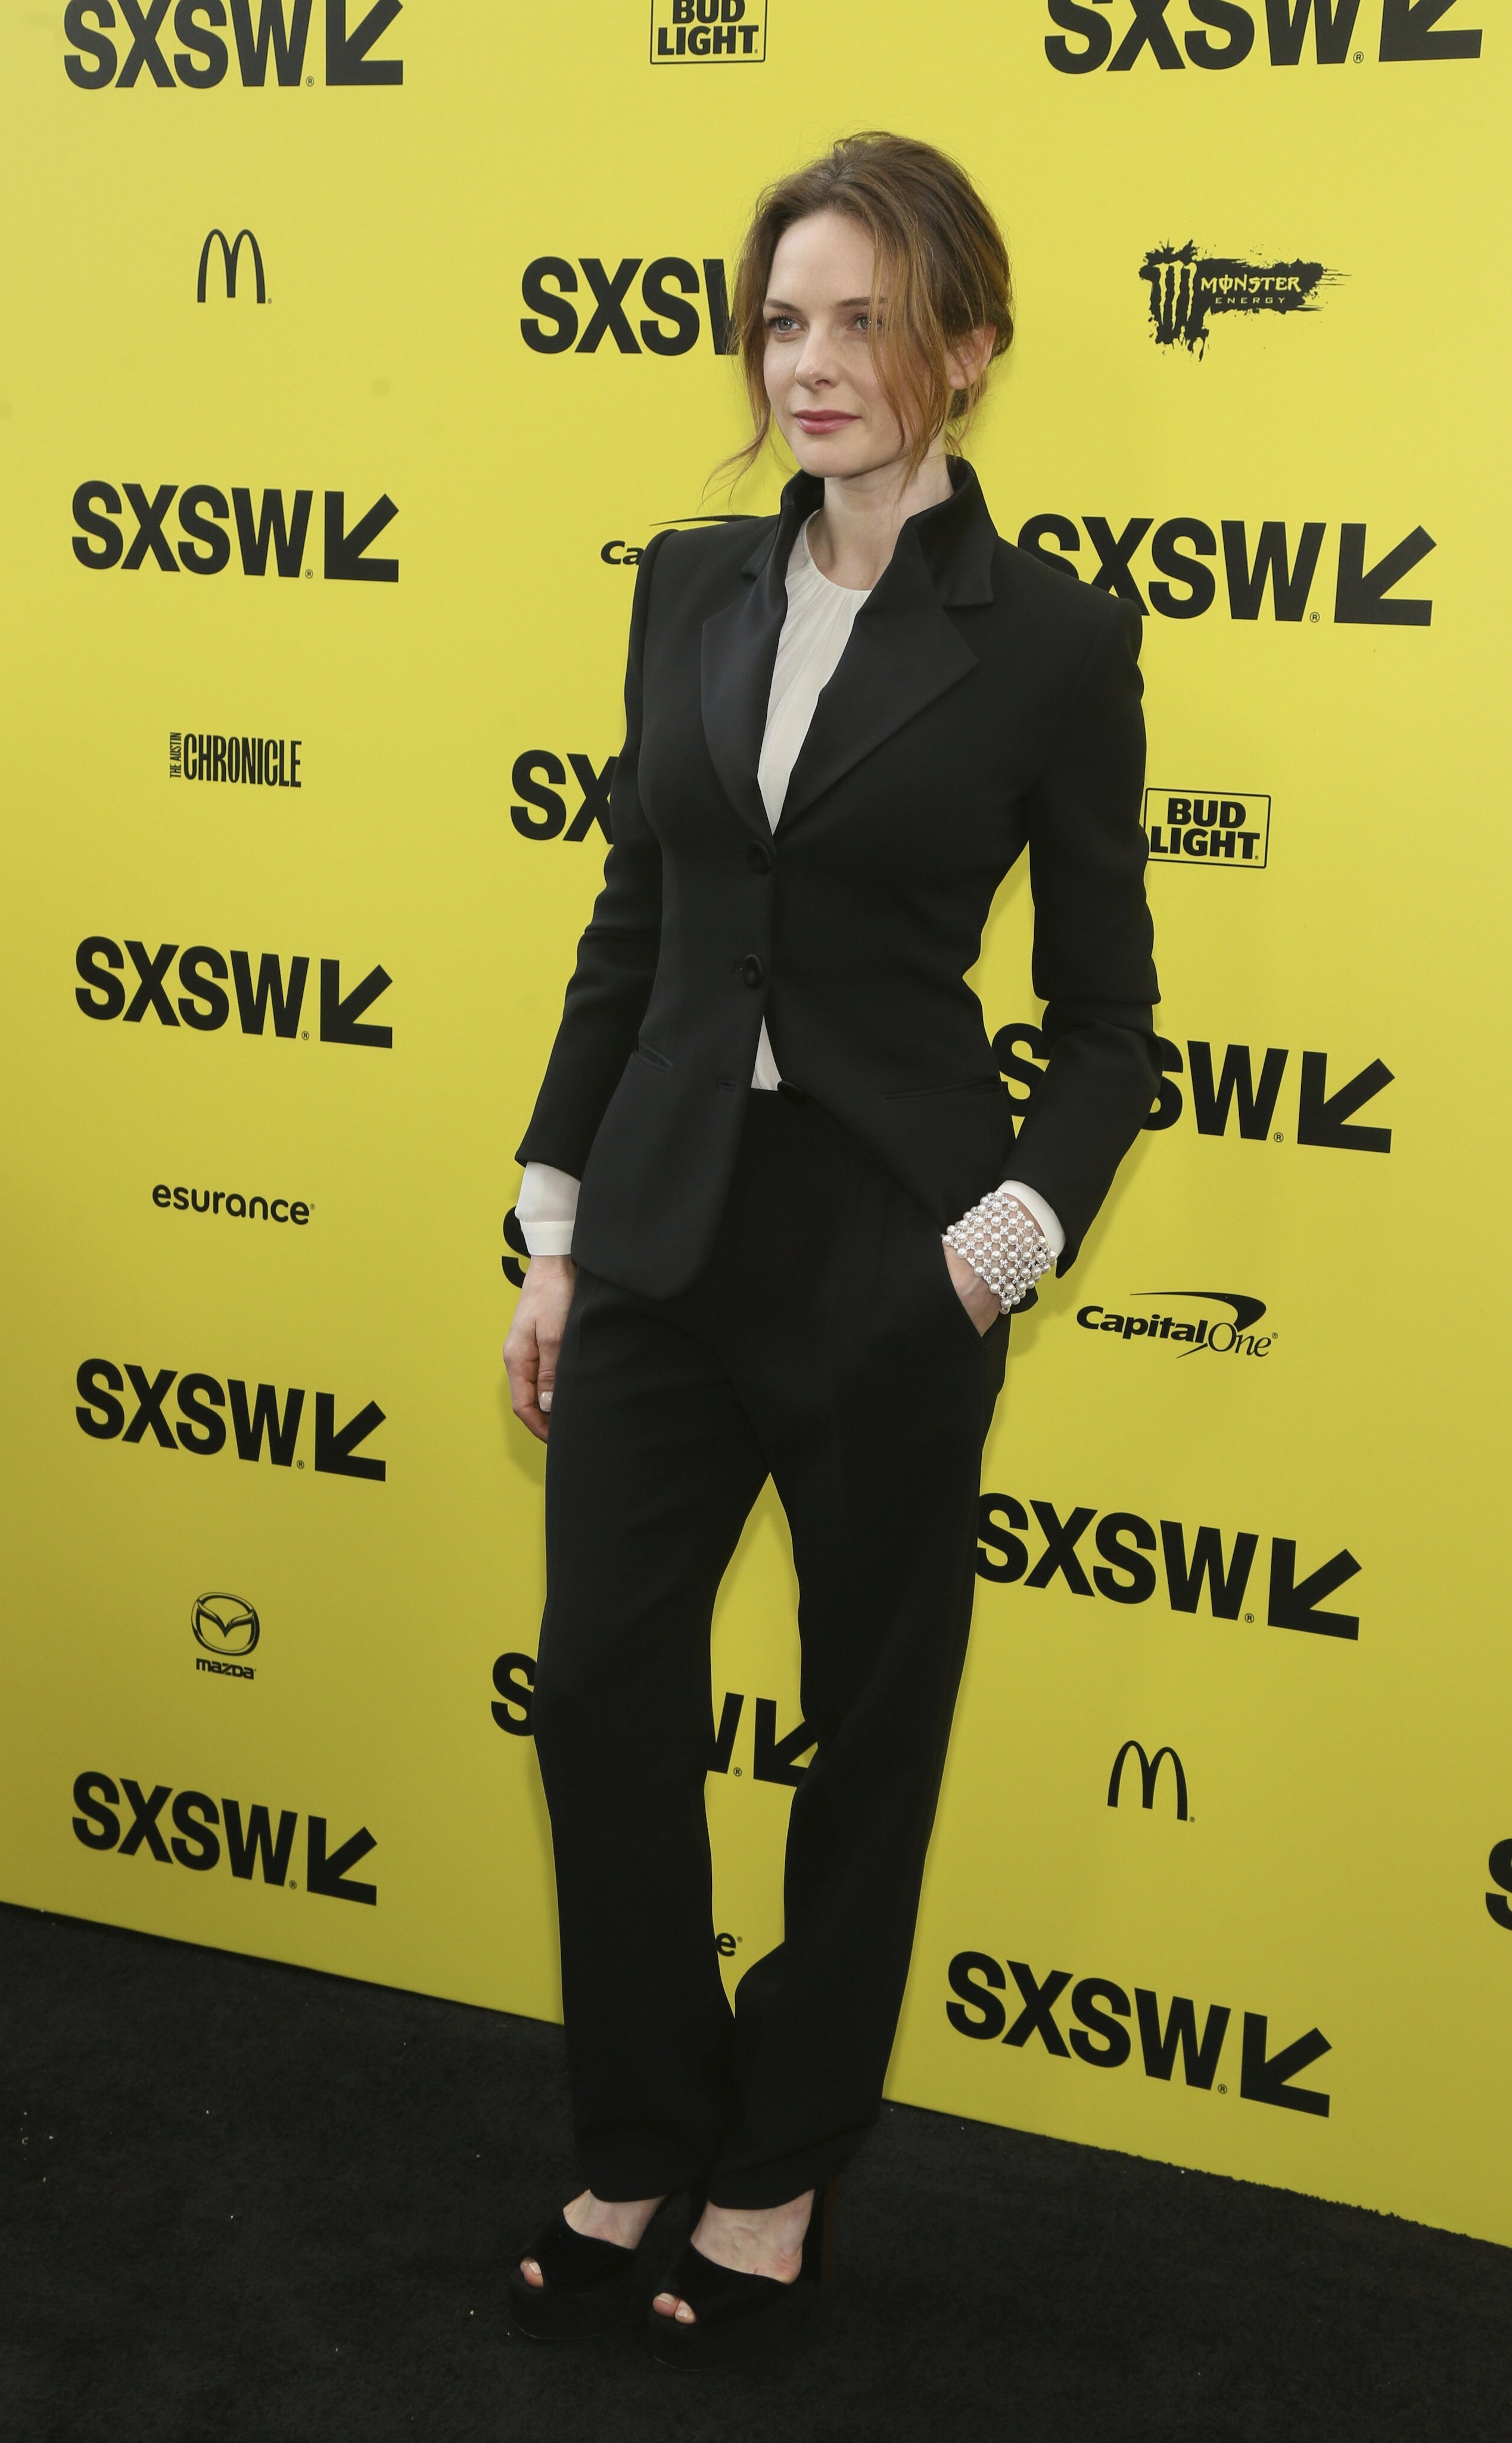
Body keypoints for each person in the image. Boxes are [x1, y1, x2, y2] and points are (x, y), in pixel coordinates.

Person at [500, 129, 1159, 2366]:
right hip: (664, 1233)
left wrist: (997, 1247)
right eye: (784, 318)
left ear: (966, 345)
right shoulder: (689, 587)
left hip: (892, 1246)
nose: (813, 361)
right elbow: (637, 918)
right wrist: (557, 1227)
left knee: (866, 1733)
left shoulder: (1052, 641)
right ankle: (638, 2126)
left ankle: (778, 2168)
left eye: (865, 318)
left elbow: (1109, 1023)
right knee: (602, 1693)